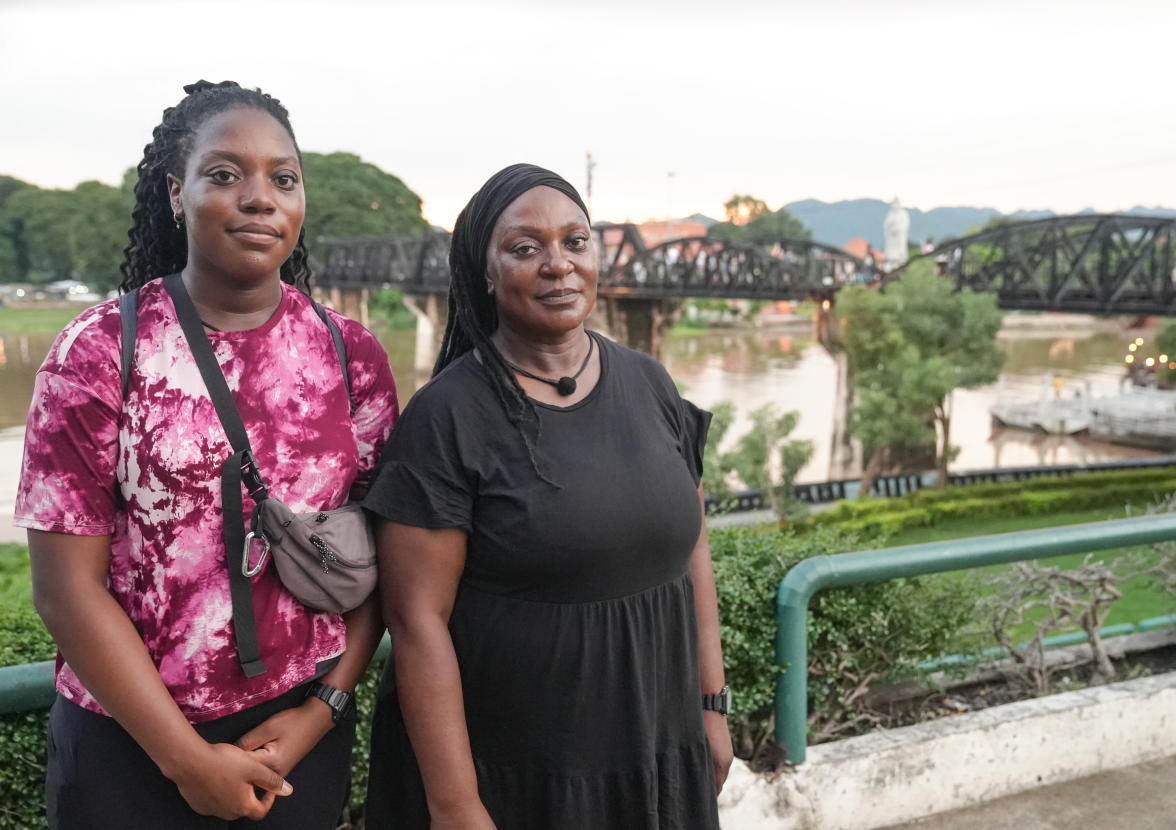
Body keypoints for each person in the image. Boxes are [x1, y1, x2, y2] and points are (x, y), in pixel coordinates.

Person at [14, 81, 398, 828]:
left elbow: (386, 555)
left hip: (300, 734)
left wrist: (321, 712)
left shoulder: (352, 356)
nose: (260, 198)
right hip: (128, 747)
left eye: (283, 179)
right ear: (175, 194)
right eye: (225, 174)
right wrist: (186, 762)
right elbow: (65, 590)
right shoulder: (98, 352)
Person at [364, 163, 732, 829]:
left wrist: (712, 705)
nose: (558, 264)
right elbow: (416, 621)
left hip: (654, 748)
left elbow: (692, 546)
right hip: (516, 777)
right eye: (526, 248)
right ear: (486, 272)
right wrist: (455, 804)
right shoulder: (448, 418)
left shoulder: (650, 385)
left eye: (576, 241)